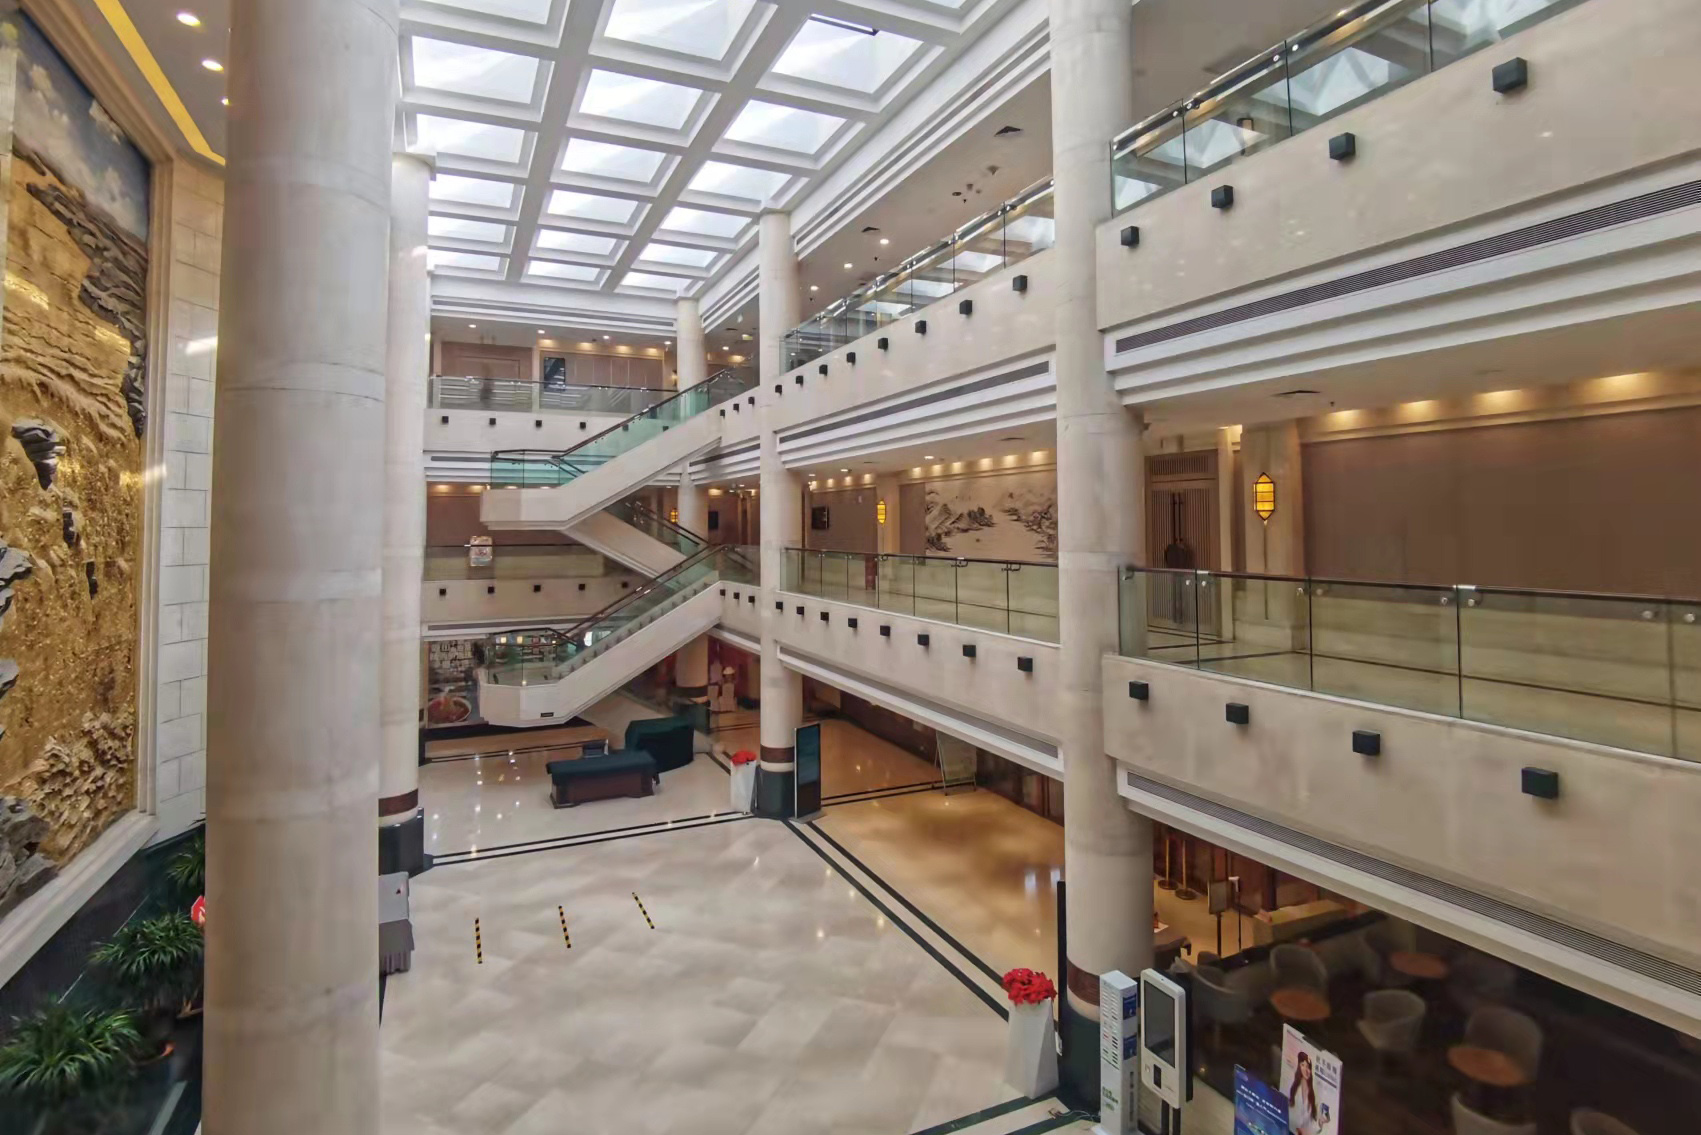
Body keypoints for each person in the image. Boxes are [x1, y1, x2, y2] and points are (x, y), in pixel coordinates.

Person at [1287, 1049, 1323, 1135]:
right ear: (1299, 1067)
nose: (1306, 1069)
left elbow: (1313, 1124)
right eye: (1303, 1065)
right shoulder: (1293, 1086)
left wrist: (1320, 1123)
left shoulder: (1315, 1092)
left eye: (1308, 1067)